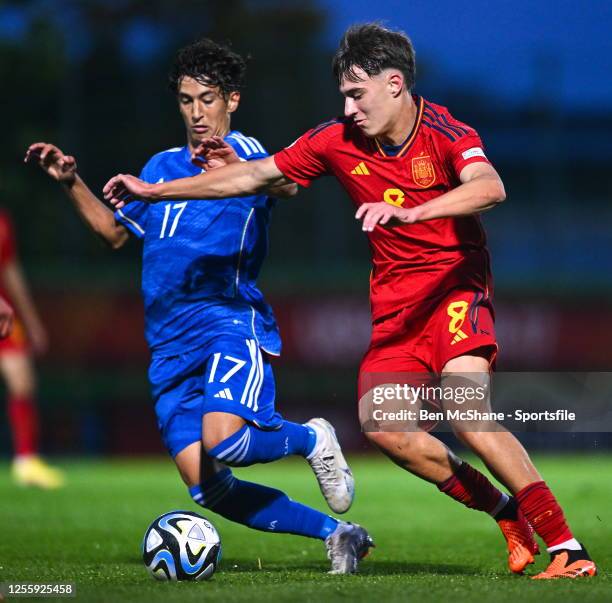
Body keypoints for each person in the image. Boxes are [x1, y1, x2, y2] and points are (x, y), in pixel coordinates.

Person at [103, 24, 598, 580]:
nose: (349, 106)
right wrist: (154, 191)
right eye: (343, 94)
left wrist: (413, 212)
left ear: (395, 84)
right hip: (395, 309)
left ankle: (567, 547)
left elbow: (491, 187)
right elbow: (251, 176)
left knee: (465, 411)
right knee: (388, 432)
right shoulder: (336, 138)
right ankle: (504, 512)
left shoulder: (446, 132)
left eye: (356, 94)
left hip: (456, 290)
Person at [26, 38, 372, 574]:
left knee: (226, 442)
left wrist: (258, 175)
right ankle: (338, 535)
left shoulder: (248, 153)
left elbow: (290, 184)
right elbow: (115, 235)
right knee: (209, 488)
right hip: (167, 344)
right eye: (186, 100)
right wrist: (71, 183)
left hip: (226, 322)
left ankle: (312, 437)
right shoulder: (160, 166)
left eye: (207, 99)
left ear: (231, 100)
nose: (196, 112)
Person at [0, 209, 64, 488]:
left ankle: (26, 461)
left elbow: (10, 269)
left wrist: (31, 319)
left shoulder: (2, 220)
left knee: (22, 380)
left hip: (5, 313)